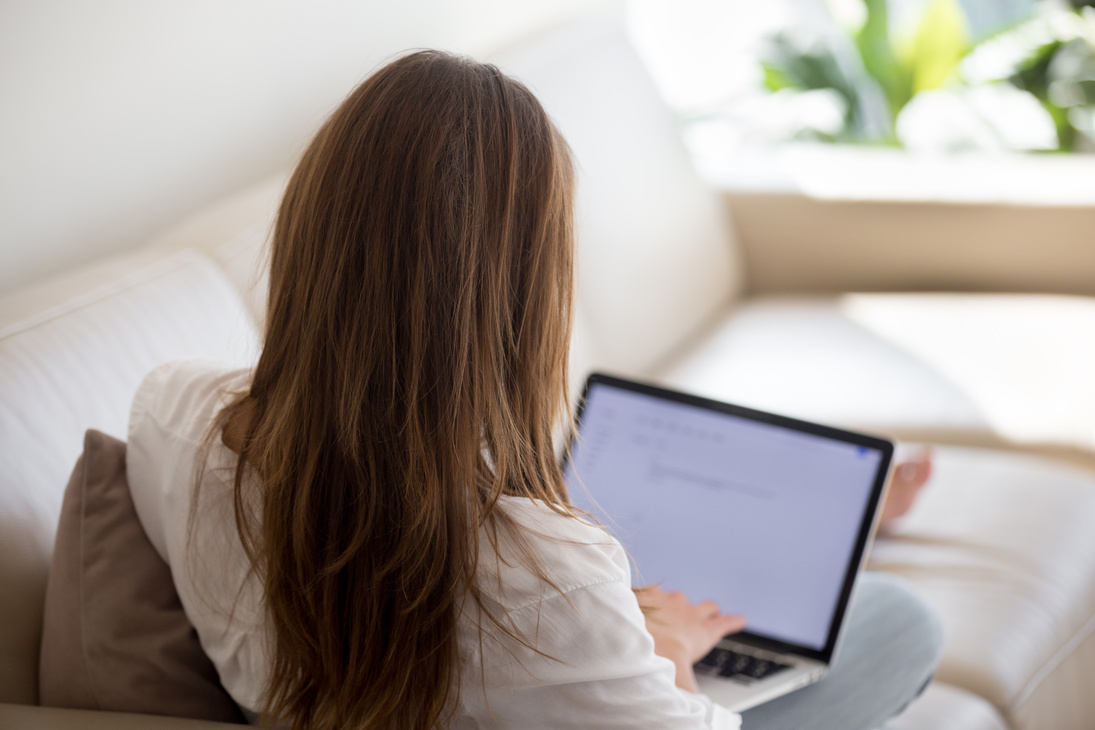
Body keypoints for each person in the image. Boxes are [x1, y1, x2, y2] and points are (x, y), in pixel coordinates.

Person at [125, 51, 941, 730]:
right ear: (519, 289)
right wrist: (669, 653)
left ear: (314, 229)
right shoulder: (546, 575)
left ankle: (834, 530)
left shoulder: (170, 416)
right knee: (897, 621)